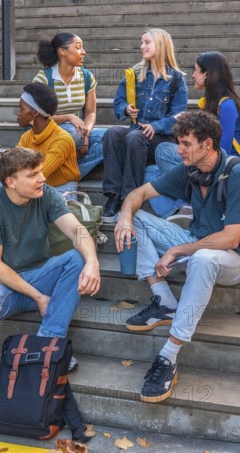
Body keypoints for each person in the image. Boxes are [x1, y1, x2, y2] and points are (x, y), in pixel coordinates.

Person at [0, 147, 100, 453]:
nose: (42, 178)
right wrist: (37, 295)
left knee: (76, 260)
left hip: (39, 274)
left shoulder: (46, 194)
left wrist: (92, 261)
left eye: (40, 172)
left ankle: (47, 346)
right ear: (11, 181)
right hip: (1, 283)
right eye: (33, 174)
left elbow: (76, 231)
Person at [115, 111, 240, 403]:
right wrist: (123, 218)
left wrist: (177, 250)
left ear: (207, 145)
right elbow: (138, 193)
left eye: (185, 144)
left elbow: (232, 237)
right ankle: (165, 301)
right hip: (196, 241)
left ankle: (169, 355)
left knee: (204, 259)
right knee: (138, 219)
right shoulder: (190, 169)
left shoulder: (235, 172)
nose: (178, 150)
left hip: (231, 258)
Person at [102, 28, 188, 223]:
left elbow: (178, 115)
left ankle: (128, 198)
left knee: (135, 136)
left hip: (160, 139)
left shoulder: (176, 79)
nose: (142, 46)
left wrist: (156, 126)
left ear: (161, 45)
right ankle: (113, 196)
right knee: (112, 133)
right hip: (137, 134)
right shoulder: (134, 74)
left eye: (147, 42)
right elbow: (118, 103)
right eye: (141, 42)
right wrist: (126, 110)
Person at [149, 51, 240, 223]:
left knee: (163, 151)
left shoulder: (227, 105)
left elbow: (223, 151)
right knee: (149, 173)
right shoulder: (206, 104)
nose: (193, 75)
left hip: (225, 169)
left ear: (209, 74)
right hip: (203, 160)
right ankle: (180, 209)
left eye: (197, 70)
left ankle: (193, 205)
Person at [0, 82, 80, 197]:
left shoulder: (61, 140)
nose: (18, 113)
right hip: (30, 185)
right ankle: (0, 216)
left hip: (58, 191)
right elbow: (13, 165)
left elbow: (37, 174)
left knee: (21, 185)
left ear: (35, 112)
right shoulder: (27, 137)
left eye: (21, 108)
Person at [33, 32, 107, 178]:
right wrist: (68, 117)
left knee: (111, 137)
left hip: (78, 131)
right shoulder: (44, 78)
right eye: (78, 47)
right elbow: (35, 118)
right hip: (49, 134)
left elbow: (91, 113)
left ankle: (70, 172)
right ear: (62, 52)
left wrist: (87, 134)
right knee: (72, 131)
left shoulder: (86, 77)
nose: (83, 52)